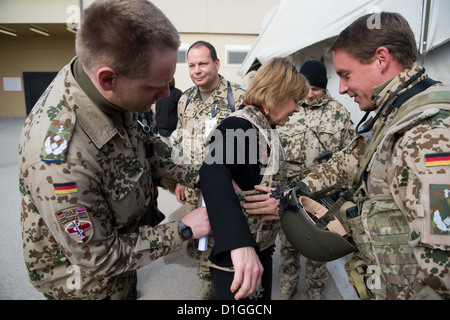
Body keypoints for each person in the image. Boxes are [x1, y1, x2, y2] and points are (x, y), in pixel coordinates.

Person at [247, 12, 450, 300]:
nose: (341, 88)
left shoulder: (428, 133)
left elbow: (441, 271)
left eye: (346, 74)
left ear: (381, 59)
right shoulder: (394, 114)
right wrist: (292, 195)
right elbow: (350, 159)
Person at [18, 0, 210, 300]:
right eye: (156, 86)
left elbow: (149, 145)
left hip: (124, 262)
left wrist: (201, 175)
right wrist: (183, 228)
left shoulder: (111, 84)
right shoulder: (63, 163)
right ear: (108, 79)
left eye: (170, 82)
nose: (166, 94)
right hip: (87, 288)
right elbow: (100, 256)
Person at [199, 57, 309, 300]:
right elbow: (211, 170)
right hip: (238, 262)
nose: (297, 108)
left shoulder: (264, 128)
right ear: (277, 95)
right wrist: (239, 244)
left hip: (261, 250)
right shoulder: (242, 127)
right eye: (295, 100)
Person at [170, 40, 246, 299]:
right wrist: (179, 179)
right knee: (199, 235)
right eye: (191, 65)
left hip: (227, 185)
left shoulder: (238, 97)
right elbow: (180, 139)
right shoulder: (185, 100)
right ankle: (207, 284)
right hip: (194, 185)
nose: (196, 70)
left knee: (227, 232)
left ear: (216, 63)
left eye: (202, 63)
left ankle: (230, 282)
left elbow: (252, 145)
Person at [275, 60, 355, 300]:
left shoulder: (338, 113)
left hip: (321, 195)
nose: (310, 94)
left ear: (324, 88)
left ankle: (316, 290)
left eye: (316, 89)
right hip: (289, 189)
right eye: (307, 88)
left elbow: (349, 153)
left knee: (317, 246)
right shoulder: (288, 107)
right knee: (288, 241)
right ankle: (288, 285)